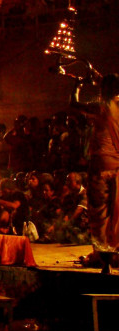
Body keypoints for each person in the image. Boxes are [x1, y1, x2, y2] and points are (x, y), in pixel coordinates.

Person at [71, 73, 119, 273]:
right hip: (117, 166)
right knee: (116, 214)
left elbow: (74, 105)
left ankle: (106, 263)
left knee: (100, 215)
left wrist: (77, 86)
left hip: (101, 166)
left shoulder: (99, 107)